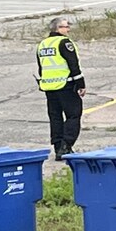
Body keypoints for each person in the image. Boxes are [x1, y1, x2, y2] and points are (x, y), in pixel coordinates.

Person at [36, 17, 86, 161]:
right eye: (65, 26)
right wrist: (81, 84)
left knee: (55, 117)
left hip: (49, 86)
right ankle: (66, 145)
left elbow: (41, 67)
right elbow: (73, 64)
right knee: (73, 115)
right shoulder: (64, 43)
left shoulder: (43, 44)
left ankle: (58, 146)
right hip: (66, 85)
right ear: (58, 29)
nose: (68, 29)